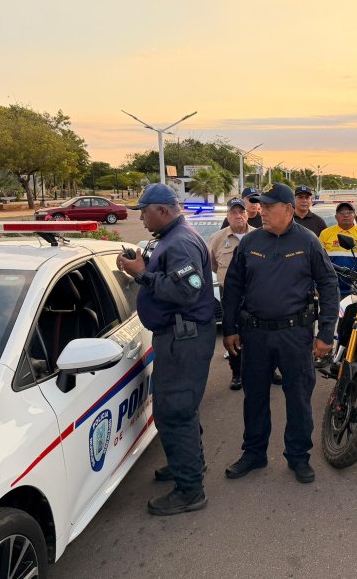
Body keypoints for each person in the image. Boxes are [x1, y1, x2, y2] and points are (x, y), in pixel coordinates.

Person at [222, 183, 339, 484]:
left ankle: (298, 456)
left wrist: (326, 333)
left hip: (294, 336)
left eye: (269, 207)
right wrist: (230, 328)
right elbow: (233, 287)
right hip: (255, 335)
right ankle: (254, 453)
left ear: (287, 210)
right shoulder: (250, 242)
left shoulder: (308, 242)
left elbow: (328, 286)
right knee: (255, 397)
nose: (261, 212)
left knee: (298, 398)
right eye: (260, 206)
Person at [117, 183, 216, 516]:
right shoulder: (169, 238)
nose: (142, 219)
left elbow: (188, 291)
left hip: (183, 339)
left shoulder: (182, 241)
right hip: (178, 337)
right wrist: (143, 264)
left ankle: (190, 491)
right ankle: (188, 465)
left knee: (174, 413)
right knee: (180, 409)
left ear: (162, 210)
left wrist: (143, 275)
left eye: (144, 212)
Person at [208, 197, 255, 391]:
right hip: (229, 294)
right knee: (232, 334)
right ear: (227, 216)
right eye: (233, 212)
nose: (238, 215)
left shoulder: (259, 235)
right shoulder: (218, 238)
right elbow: (212, 264)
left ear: (247, 214)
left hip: (256, 294)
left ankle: (269, 371)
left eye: (241, 212)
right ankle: (237, 373)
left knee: (262, 334)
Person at [318, 201, 357, 295]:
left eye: (349, 212)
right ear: (336, 217)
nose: (346, 215)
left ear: (354, 216)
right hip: (331, 286)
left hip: (356, 286)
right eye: (342, 213)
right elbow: (319, 260)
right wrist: (318, 284)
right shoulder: (325, 234)